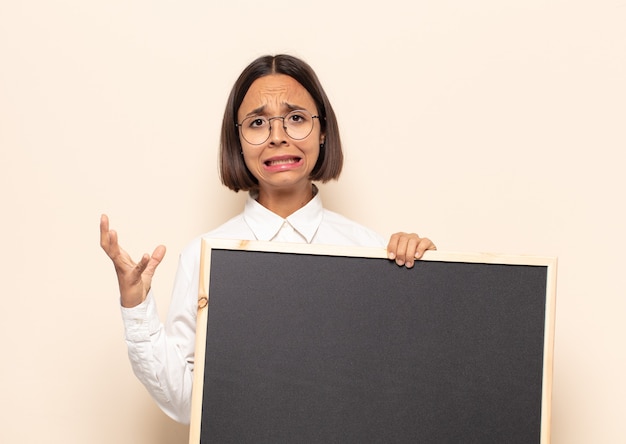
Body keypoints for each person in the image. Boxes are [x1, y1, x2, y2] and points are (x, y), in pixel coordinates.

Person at [100, 54, 436, 424]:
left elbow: (405, 386)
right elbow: (187, 405)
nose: (278, 136)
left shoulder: (373, 252)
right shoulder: (203, 256)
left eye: (296, 118)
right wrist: (136, 307)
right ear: (238, 140)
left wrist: (430, 283)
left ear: (323, 131)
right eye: (258, 122)